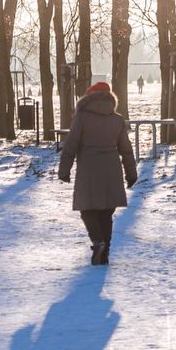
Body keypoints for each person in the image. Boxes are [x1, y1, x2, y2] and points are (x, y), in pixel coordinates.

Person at [58, 82, 137, 265]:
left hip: (88, 168)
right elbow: (126, 149)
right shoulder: (117, 119)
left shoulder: (82, 117)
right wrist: (131, 173)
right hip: (112, 168)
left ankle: (97, 241)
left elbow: (71, 145)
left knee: (87, 209)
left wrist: (64, 171)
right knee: (106, 213)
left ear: (88, 98)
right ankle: (105, 251)